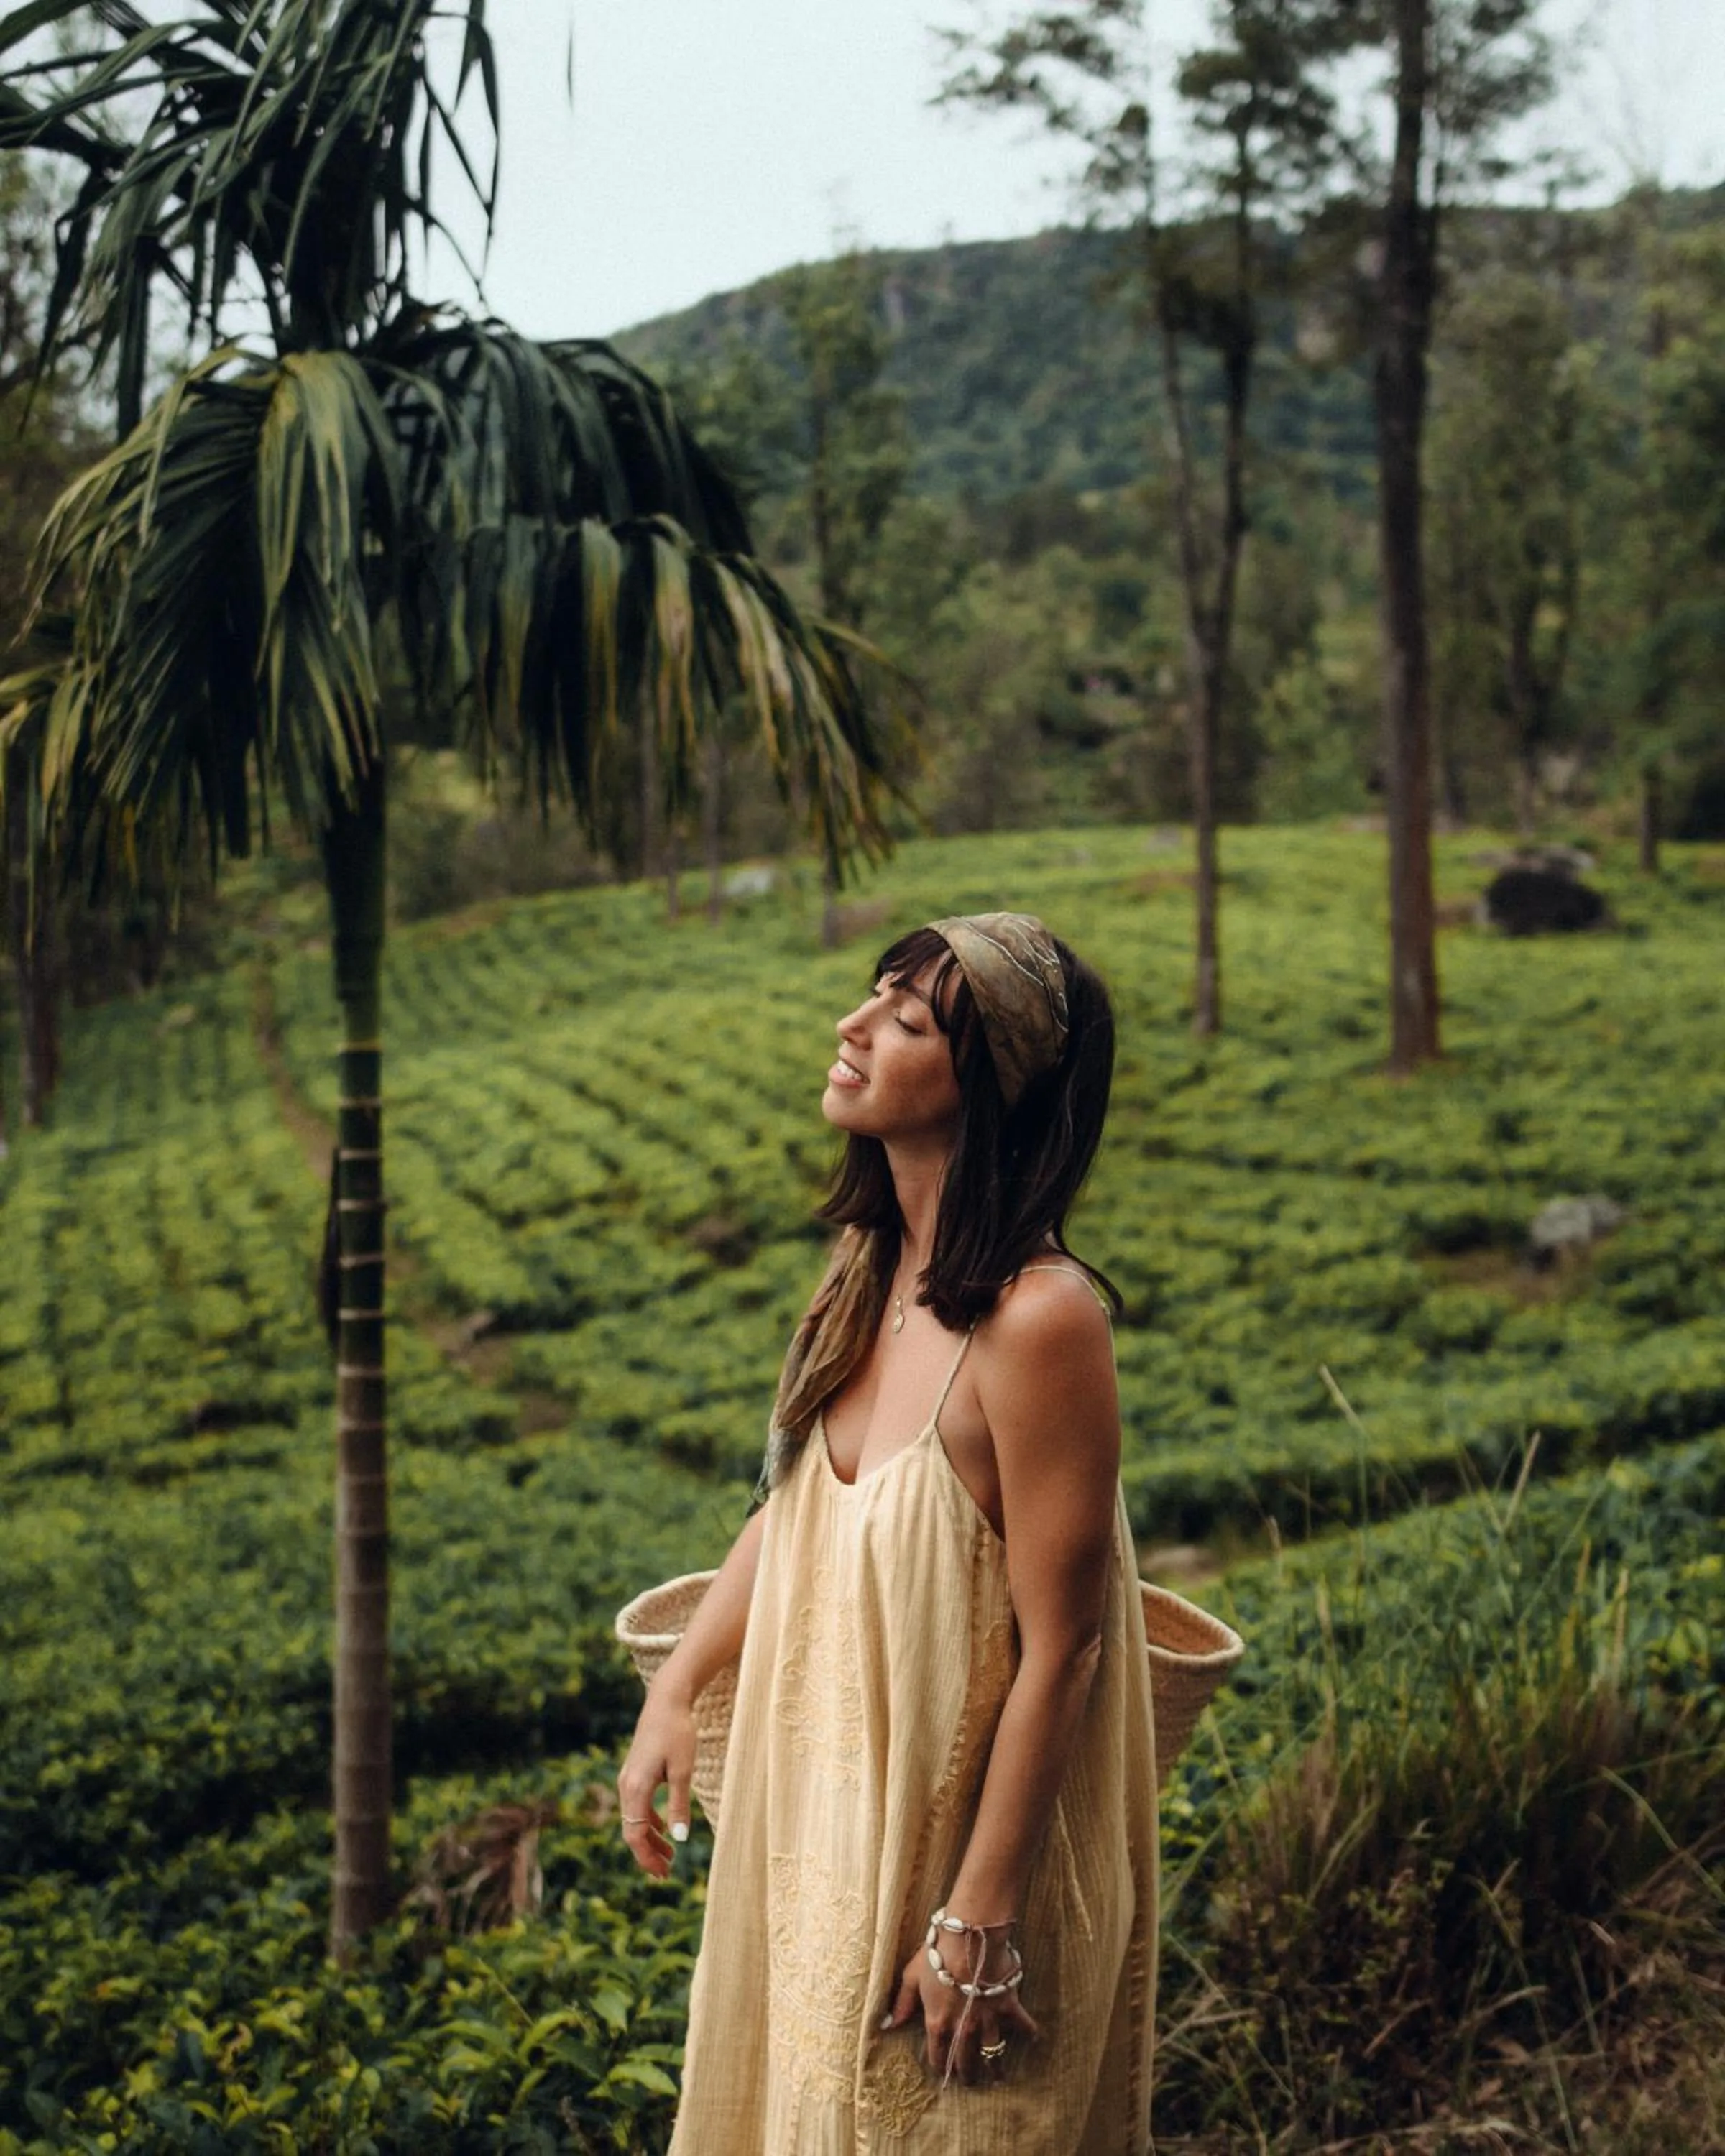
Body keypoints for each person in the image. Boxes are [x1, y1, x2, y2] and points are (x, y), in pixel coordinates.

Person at [618, 913, 1159, 2155]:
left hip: (965, 1858)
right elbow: (792, 1511)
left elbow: (1065, 1647)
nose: (854, 1029)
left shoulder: (1039, 1323)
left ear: (990, 1094)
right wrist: (680, 1687)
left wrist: (979, 1916)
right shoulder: (858, 1279)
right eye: (873, 998)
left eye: (908, 1023)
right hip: (826, 1839)